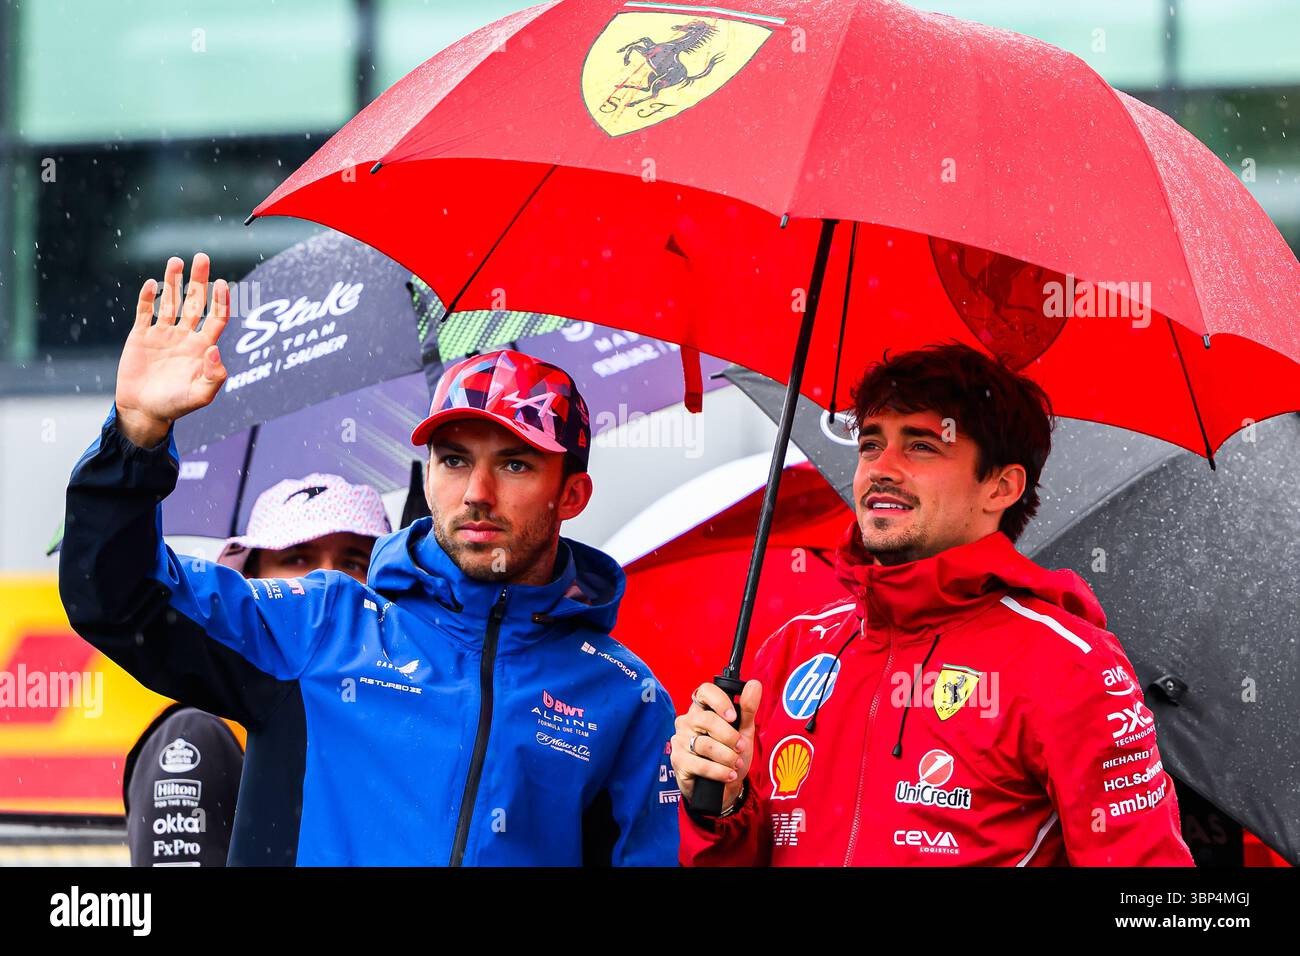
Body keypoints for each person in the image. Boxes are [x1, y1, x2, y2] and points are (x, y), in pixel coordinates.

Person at [61, 253, 678, 866]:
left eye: (515, 464)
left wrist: (717, 811)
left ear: (572, 495)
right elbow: (122, 599)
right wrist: (136, 437)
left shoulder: (624, 695)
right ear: (428, 473)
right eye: (454, 460)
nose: (477, 493)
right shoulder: (323, 624)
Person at [672, 343, 1194, 866]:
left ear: (1001, 487)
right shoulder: (792, 648)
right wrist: (721, 806)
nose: (881, 469)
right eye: (870, 444)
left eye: (921, 446)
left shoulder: (1069, 663)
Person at [122, 473, 391, 867]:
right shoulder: (198, 735)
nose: (328, 582)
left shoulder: (409, 725)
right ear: (248, 581)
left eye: (353, 562)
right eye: (297, 558)